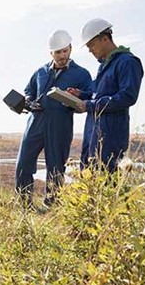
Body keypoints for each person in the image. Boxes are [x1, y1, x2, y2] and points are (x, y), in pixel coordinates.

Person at [16, 30, 92, 207]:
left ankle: (52, 204)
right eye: (58, 52)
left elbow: (90, 96)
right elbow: (29, 91)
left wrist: (78, 95)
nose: (62, 56)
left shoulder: (82, 74)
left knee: (56, 166)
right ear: (51, 53)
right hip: (36, 121)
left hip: (61, 123)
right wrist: (27, 100)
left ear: (71, 49)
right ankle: (24, 203)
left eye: (65, 51)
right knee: (23, 162)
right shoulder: (40, 72)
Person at [68, 19, 144, 172]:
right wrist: (82, 95)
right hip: (92, 133)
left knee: (107, 181)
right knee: (89, 179)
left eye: (91, 45)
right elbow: (99, 94)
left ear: (105, 38)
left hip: (111, 135)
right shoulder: (104, 65)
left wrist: (89, 105)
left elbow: (127, 96)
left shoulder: (127, 62)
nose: (90, 50)